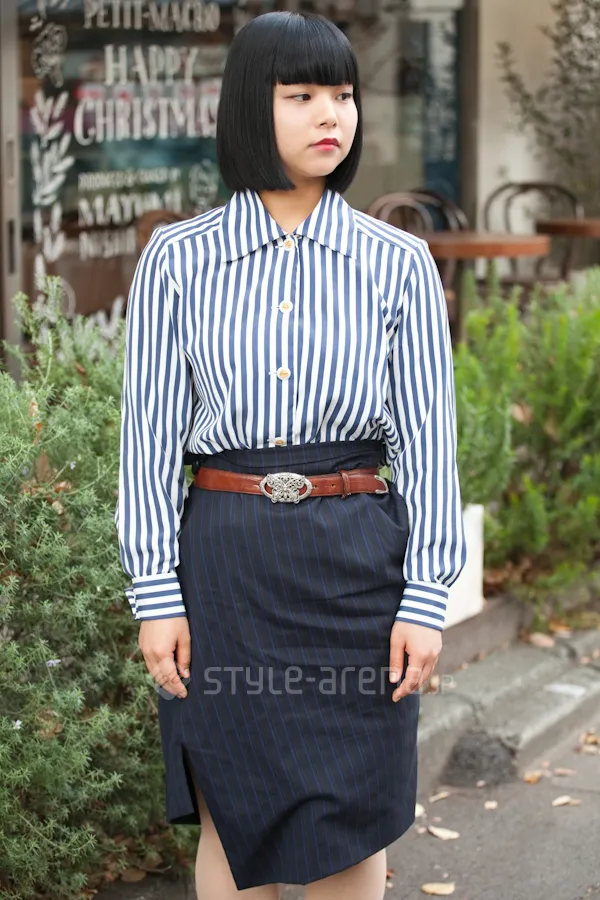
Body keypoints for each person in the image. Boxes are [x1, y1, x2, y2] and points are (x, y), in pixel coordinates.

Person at [115, 10, 466, 900]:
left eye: (342, 94)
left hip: (356, 565)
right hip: (226, 565)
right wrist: (156, 595)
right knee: (233, 818)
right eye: (301, 94)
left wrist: (426, 598)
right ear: (249, 106)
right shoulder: (177, 261)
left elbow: (430, 444)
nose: (331, 115)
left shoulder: (398, 263)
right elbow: (146, 441)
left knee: (351, 821)